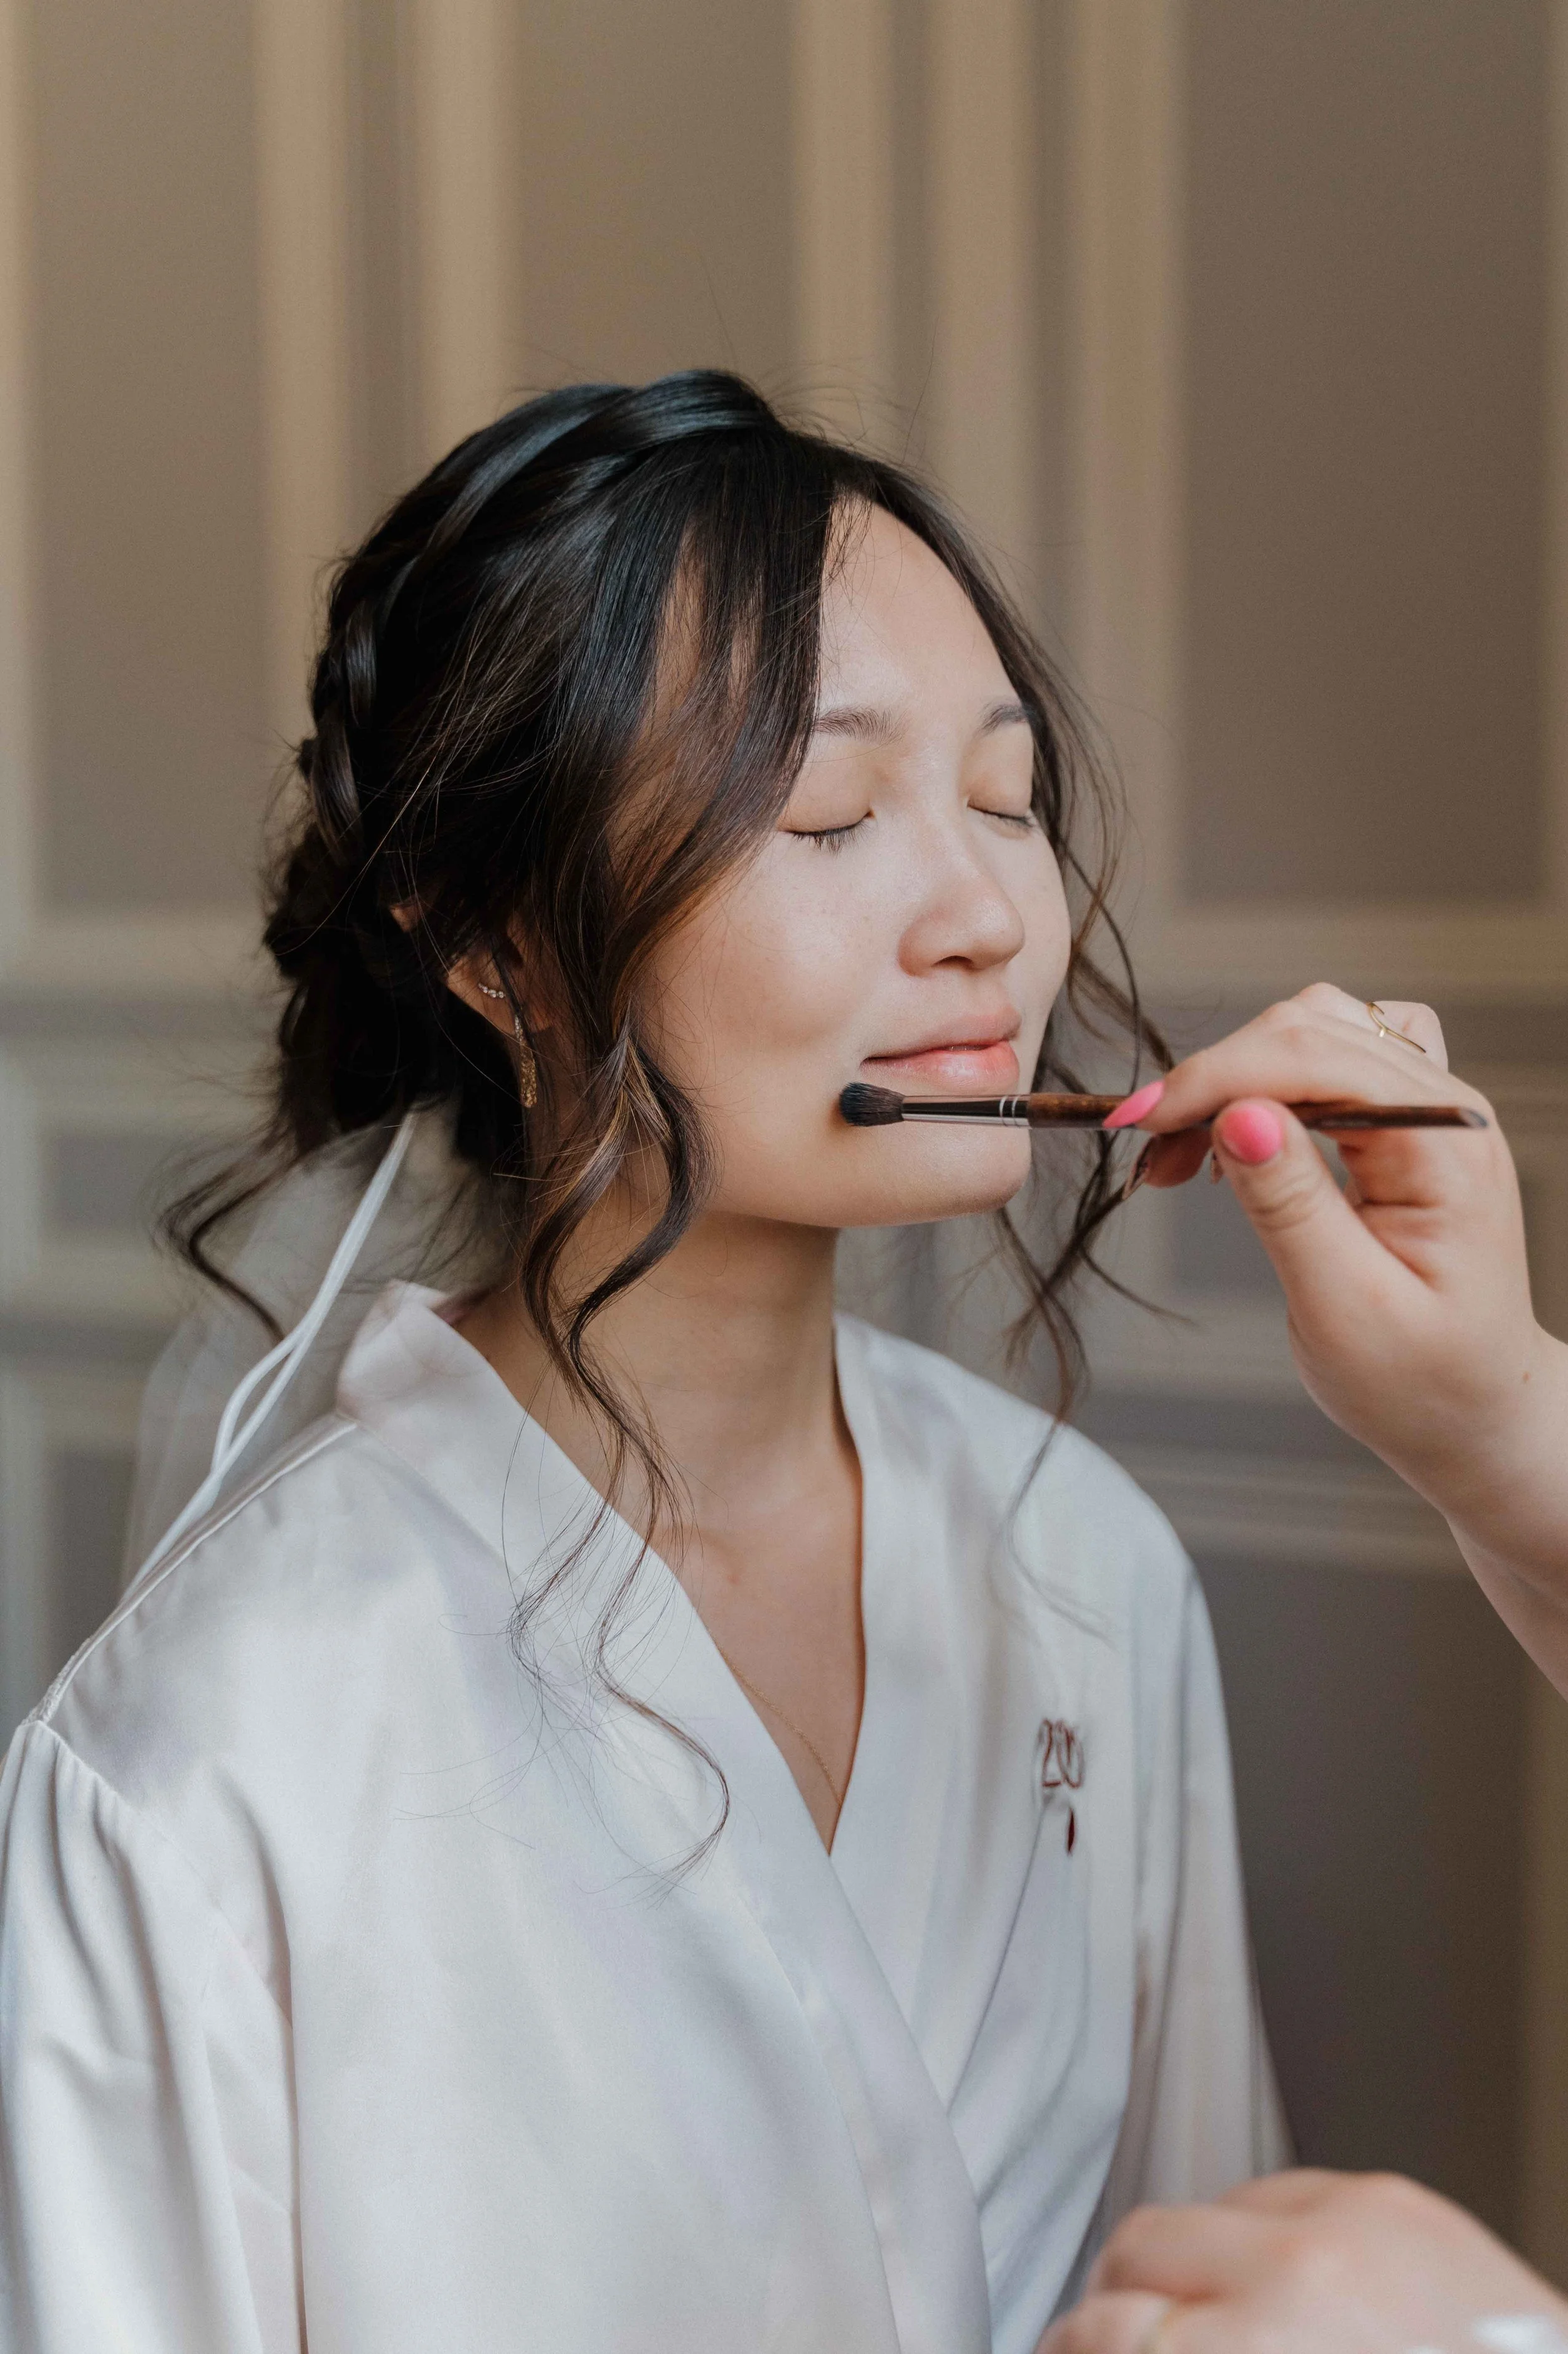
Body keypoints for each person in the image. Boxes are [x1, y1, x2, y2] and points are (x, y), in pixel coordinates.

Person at [0, 374, 1286, 2354]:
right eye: (830, 816)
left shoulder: (1087, 1566)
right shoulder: (204, 1746)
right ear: (494, 941)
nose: (983, 918)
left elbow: (1228, 2289)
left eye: (1007, 800)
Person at [1043, 983, 1568, 2351]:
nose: (989, 920)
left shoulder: (1083, 1553)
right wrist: (1509, 1424)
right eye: (818, 854)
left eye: (1015, 841)